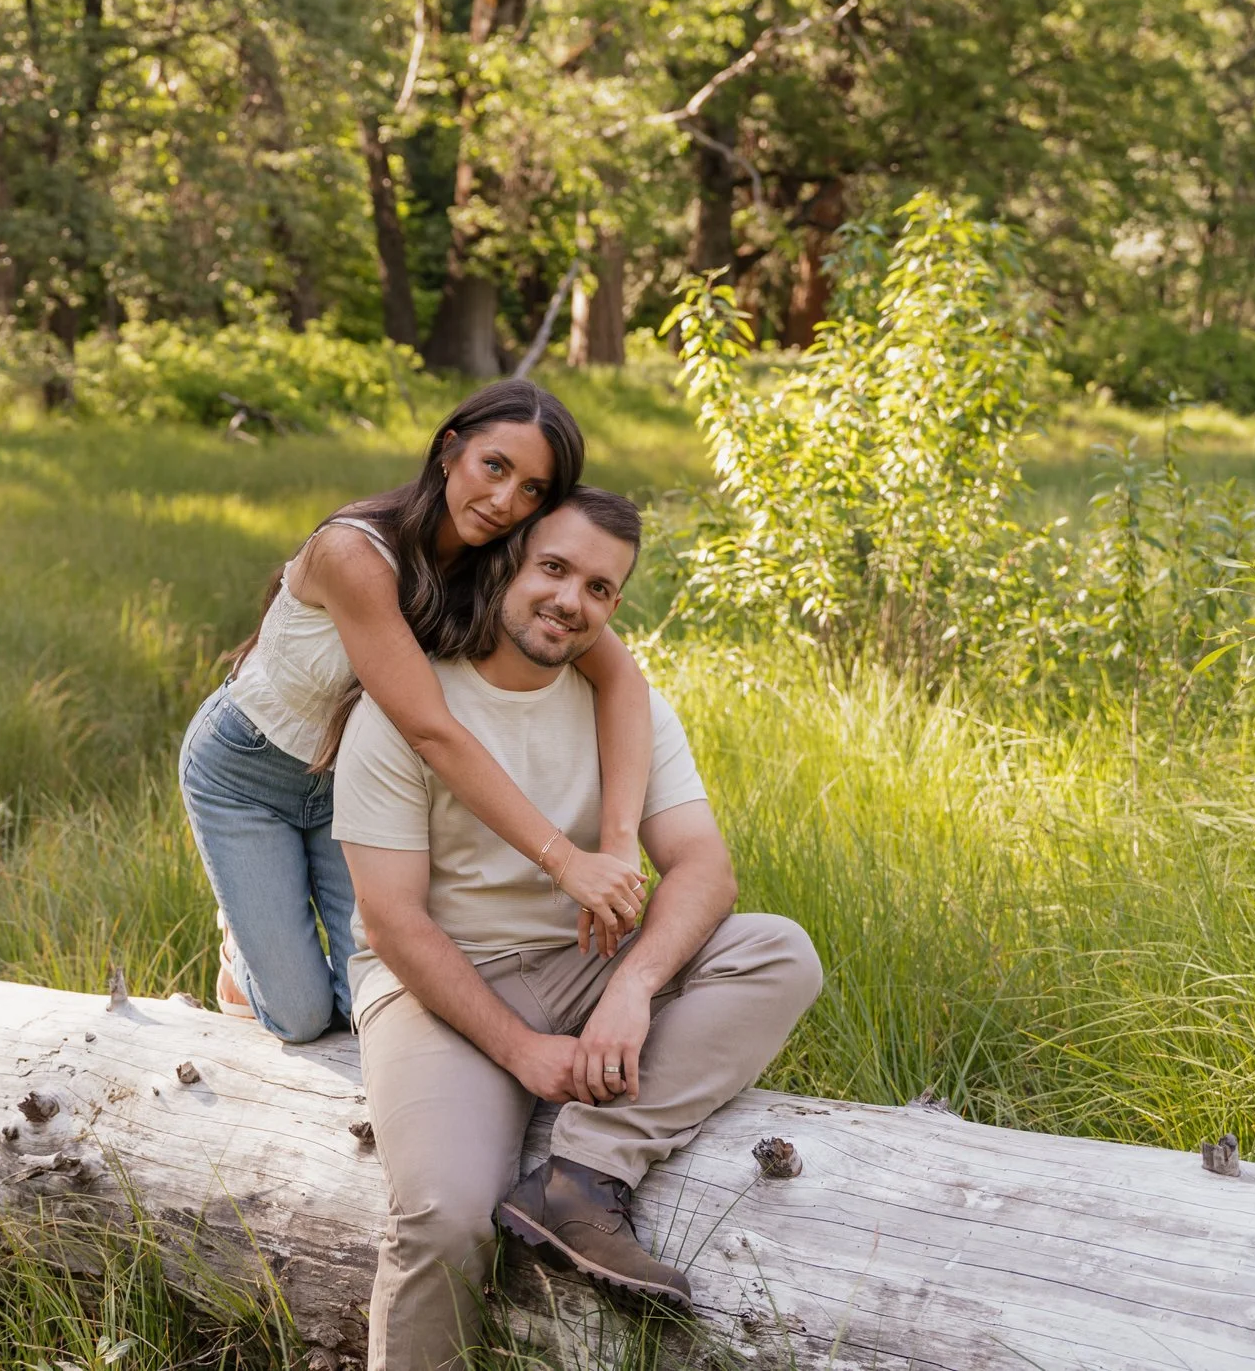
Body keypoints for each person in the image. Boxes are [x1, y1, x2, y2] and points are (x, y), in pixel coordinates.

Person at [336, 487, 824, 1370]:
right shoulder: (406, 712)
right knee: (443, 1217)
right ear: (507, 566)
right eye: (553, 569)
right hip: (441, 986)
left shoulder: (627, 707)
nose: (571, 600)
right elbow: (393, 922)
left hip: (589, 963)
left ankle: (582, 1176)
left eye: (600, 588)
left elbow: (704, 868)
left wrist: (634, 987)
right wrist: (523, 1050)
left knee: (777, 948)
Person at [177, 380, 656, 1045]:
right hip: (248, 773)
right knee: (302, 1017)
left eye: (533, 490)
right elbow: (431, 731)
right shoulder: (356, 554)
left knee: (371, 1003)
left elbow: (625, 681)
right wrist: (563, 860)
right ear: (449, 450)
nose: (504, 501)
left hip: (352, 789)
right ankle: (240, 957)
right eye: (495, 466)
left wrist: (618, 842)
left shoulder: (503, 569)